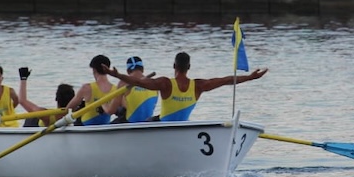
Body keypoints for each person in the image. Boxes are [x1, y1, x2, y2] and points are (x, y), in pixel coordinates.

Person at [99, 51, 268, 122]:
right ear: (189, 67)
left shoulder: (165, 83)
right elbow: (226, 80)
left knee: (148, 120)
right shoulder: (199, 85)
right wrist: (250, 77)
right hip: (179, 126)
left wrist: (117, 75)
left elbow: (137, 82)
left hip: (164, 128)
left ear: (174, 66)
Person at [65, 55, 117, 126]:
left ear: (94, 70)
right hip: (105, 123)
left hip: (86, 124)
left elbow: (69, 108)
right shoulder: (116, 89)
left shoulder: (86, 88)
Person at [105, 56, 159, 123]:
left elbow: (111, 111)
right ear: (142, 69)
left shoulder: (123, 83)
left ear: (128, 71)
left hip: (131, 124)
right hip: (148, 124)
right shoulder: (153, 83)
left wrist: (103, 104)